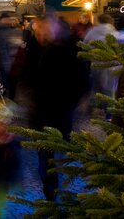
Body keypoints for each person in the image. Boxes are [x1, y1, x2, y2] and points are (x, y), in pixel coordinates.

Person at [21, 13, 90, 203]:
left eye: (44, 29)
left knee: (56, 155)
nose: (40, 34)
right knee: (45, 157)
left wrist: (68, 103)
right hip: (41, 114)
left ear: (54, 28)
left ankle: (58, 193)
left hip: (60, 112)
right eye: (38, 30)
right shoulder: (35, 48)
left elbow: (83, 81)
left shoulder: (68, 49)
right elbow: (27, 76)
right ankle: (51, 194)